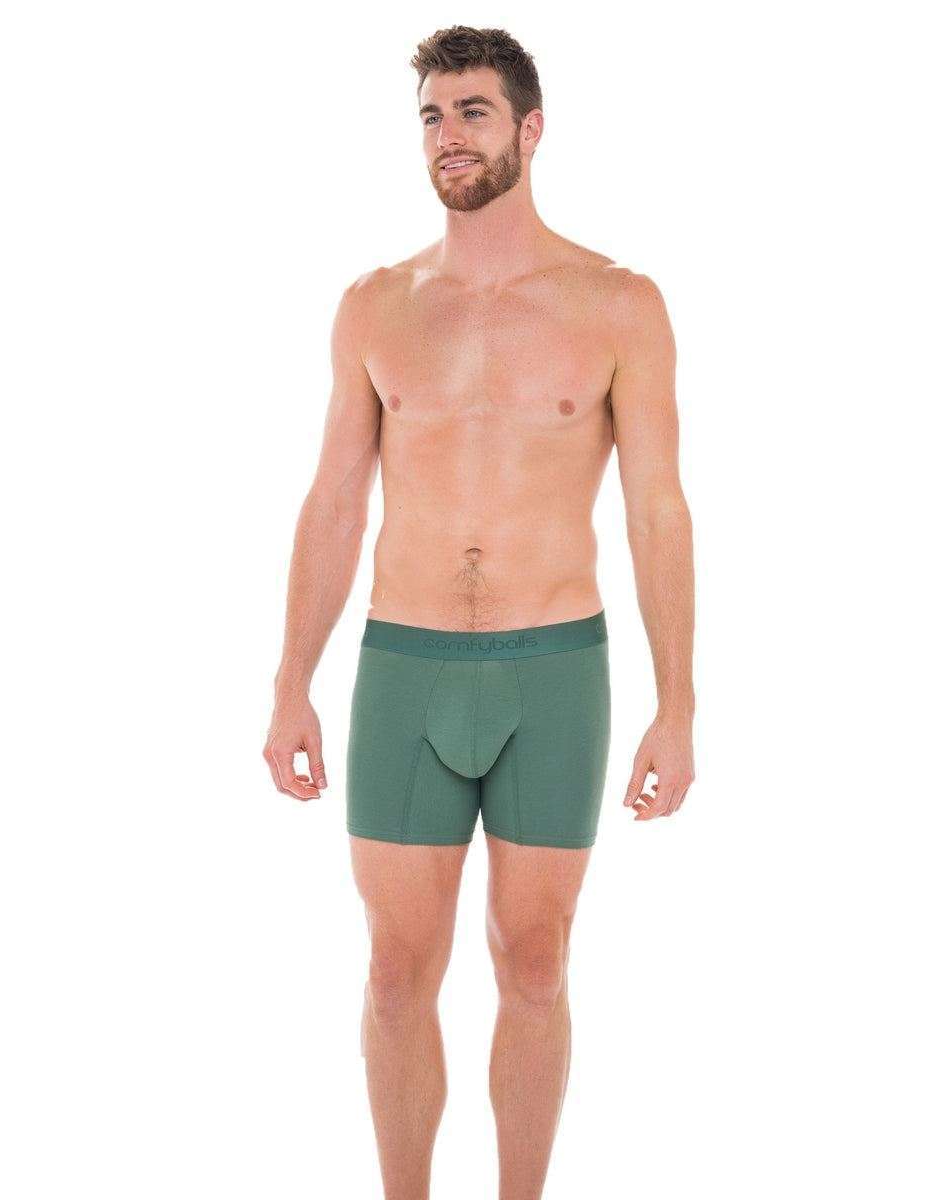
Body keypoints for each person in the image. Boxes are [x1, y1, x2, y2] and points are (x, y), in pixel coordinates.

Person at [263, 25, 695, 1200]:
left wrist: (678, 705)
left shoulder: (620, 303)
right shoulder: (375, 306)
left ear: (530, 129)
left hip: (555, 669)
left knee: (536, 964)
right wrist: (291, 683)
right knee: (397, 972)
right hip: (404, 666)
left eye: (472, 112)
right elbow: (334, 502)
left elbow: (657, 507)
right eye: (431, 116)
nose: (447, 137)